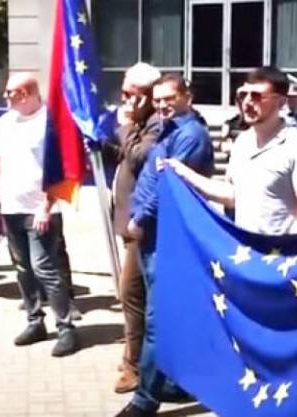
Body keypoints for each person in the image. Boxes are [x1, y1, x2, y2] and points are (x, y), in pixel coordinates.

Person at [116, 73, 214, 417]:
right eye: (157, 100)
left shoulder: (191, 134)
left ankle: (145, 400)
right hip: (152, 235)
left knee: (158, 319)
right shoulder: (166, 129)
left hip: (164, 234)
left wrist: (140, 219)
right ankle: (172, 381)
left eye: (169, 98)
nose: (162, 105)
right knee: (162, 313)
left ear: (187, 96)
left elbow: (169, 185)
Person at [0, 73, 77, 357]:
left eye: (10, 92)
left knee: (44, 268)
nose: (5, 97)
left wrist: (46, 206)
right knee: (23, 268)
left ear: (25, 94)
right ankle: (35, 321)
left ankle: (66, 327)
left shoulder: (50, 121)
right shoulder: (5, 122)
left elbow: (60, 169)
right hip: (12, 208)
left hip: (40, 210)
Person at [167, 67, 297, 235]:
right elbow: (233, 195)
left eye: (256, 96)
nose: (247, 102)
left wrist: (289, 248)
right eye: (243, 95)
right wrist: (183, 172)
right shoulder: (242, 142)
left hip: (280, 248)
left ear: (281, 102)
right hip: (247, 247)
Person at [103, 62, 162, 393]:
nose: (124, 101)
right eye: (123, 93)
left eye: (130, 94)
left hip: (144, 224)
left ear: (147, 95)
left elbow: (141, 157)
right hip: (129, 220)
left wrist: (125, 126)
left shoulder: (156, 123)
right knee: (132, 295)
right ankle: (132, 353)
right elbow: (125, 156)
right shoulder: (138, 122)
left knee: (132, 293)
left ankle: (134, 365)